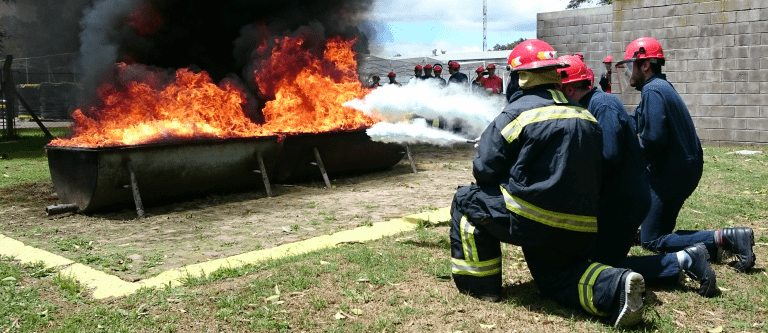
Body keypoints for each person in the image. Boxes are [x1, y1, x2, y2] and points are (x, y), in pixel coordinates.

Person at [449, 39, 646, 327]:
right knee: (557, 280)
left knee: (466, 200)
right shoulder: (585, 114)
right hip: (580, 228)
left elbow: (484, 170)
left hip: (531, 221)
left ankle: (480, 288)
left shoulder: (516, 114)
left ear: (519, 77)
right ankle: (616, 284)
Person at [557, 55, 716, 297]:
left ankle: (685, 260)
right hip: (622, 197)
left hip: (625, 200)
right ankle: (679, 263)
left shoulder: (603, 105)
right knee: (595, 257)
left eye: (558, 91)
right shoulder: (594, 104)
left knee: (601, 267)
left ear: (569, 88)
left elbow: (609, 155)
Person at [618, 37, 755, 272]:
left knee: (651, 240)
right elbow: (635, 120)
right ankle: (713, 247)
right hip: (685, 169)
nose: (629, 71)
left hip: (672, 173)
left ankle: (726, 238)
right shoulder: (661, 87)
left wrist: (634, 163)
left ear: (645, 65)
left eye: (632, 65)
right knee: (658, 234)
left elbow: (654, 139)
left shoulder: (653, 90)